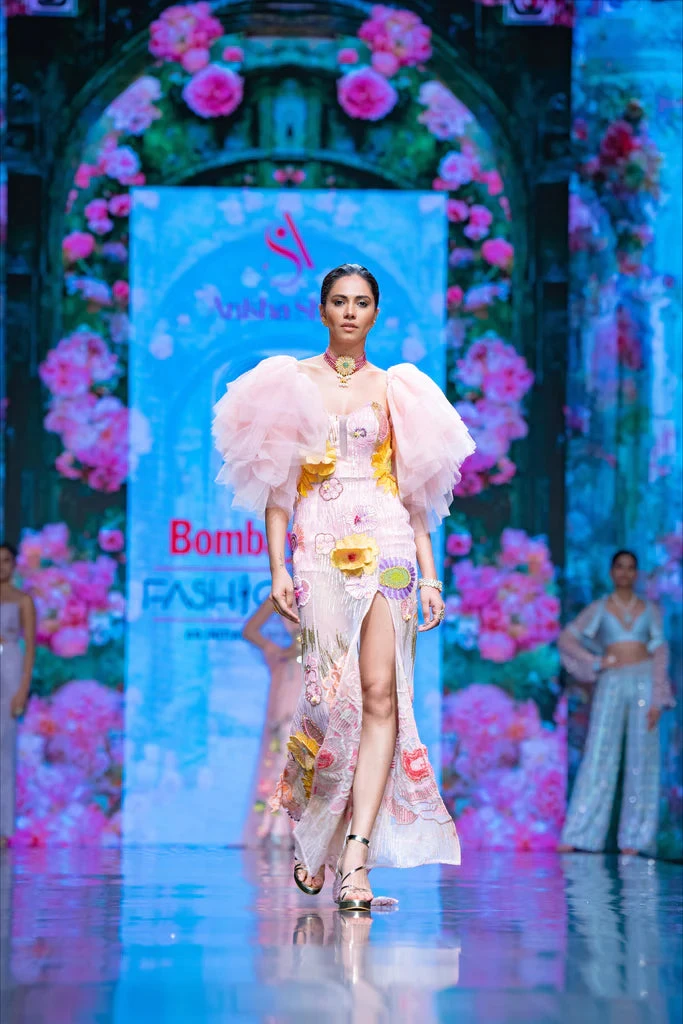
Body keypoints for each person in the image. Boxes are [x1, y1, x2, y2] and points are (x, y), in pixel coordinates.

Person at [213, 263, 475, 911]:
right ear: (322, 310)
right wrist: (277, 567)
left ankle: (355, 858)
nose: (350, 311)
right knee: (328, 700)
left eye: (361, 302)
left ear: (376, 313)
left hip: (389, 547)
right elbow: (277, 488)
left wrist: (430, 575)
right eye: (339, 301)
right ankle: (316, 830)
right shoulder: (289, 382)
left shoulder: (398, 389)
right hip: (318, 546)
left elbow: (414, 493)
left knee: (383, 695)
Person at [557, 550, 675, 856]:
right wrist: (596, 661)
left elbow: (660, 652)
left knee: (643, 756)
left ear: (637, 574)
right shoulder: (600, 608)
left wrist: (658, 698)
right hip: (611, 680)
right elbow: (567, 639)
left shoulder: (649, 609)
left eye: (631, 568)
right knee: (599, 752)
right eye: (620, 567)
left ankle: (636, 839)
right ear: (612, 573)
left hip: (643, 679)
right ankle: (579, 833)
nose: (625, 572)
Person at [241, 597, 302, 847]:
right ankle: (279, 828)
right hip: (296, 676)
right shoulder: (286, 594)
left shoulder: (334, 586)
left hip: (326, 674)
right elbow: (250, 630)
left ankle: (313, 830)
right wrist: (281, 650)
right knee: (285, 749)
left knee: (320, 752)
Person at [0, 542, 36, 846]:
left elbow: (31, 647)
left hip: (8, 664)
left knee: (4, 749)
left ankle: (3, 829)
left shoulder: (23, 600)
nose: (1, 566)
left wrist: (23, 688)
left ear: (13, 565)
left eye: (6, 560)